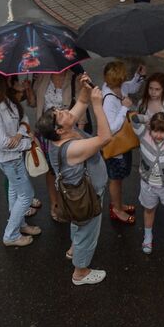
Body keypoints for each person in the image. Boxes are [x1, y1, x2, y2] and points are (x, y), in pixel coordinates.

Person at [37, 76, 112, 286]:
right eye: (59, 114)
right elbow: (105, 138)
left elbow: (81, 102)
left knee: (79, 224)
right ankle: (81, 272)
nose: (63, 110)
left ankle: (73, 248)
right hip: (88, 195)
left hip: (76, 195)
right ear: (60, 130)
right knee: (88, 231)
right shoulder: (71, 148)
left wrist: (85, 87)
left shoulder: (63, 132)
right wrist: (98, 106)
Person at [0, 73, 41, 247]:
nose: (13, 79)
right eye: (8, 78)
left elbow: (23, 118)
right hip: (9, 159)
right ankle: (11, 234)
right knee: (26, 195)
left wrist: (19, 133)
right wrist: (27, 142)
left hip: (13, 156)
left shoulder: (7, 100)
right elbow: (3, 143)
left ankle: (20, 225)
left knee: (15, 190)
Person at [130, 110, 164, 254]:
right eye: (155, 131)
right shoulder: (144, 135)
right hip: (148, 184)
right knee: (149, 209)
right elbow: (133, 119)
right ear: (150, 128)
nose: (158, 135)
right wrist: (146, 117)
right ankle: (148, 235)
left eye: (162, 132)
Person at [101, 60, 146, 225]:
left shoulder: (119, 87)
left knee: (119, 179)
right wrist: (124, 108)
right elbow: (111, 128)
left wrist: (139, 76)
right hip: (115, 148)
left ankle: (119, 205)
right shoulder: (109, 100)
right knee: (115, 179)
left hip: (123, 144)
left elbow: (132, 87)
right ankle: (117, 210)